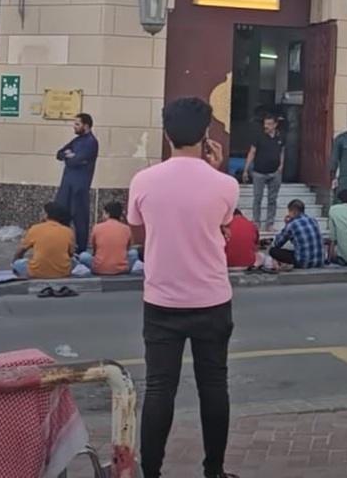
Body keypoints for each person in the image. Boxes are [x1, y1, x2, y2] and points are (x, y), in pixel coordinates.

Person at [128, 97, 237, 478]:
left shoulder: (143, 181)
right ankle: (214, 470)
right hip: (212, 298)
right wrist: (214, 171)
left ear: (166, 132)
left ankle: (152, 472)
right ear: (206, 134)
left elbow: (137, 229)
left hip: (162, 299)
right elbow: (220, 222)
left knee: (159, 388)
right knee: (214, 385)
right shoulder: (226, 184)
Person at [55, 113, 99, 253]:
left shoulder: (91, 142)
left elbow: (75, 161)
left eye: (77, 124)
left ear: (86, 125)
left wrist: (70, 157)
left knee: (80, 221)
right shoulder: (76, 141)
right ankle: (62, 247)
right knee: (61, 217)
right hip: (67, 185)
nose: (74, 127)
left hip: (80, 187)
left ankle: (81, 250)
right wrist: (69, 155)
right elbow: (59, 154)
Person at [13, 203, 78, 279]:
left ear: (46, 215)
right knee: (77, 259)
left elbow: (20, 251)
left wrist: (14, 263)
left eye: (42, 212)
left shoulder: (35, 229)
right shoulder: (68, 231)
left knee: (17, 264)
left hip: (36, 273)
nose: (40, 214)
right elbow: (71, 254)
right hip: (62, 273)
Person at [244, 114, 284, 230]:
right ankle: (256, 222)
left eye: (269, 124)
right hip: (259, 173)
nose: (266, 126)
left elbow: (282, 151)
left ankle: (270, 223)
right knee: (257, 198)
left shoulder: (280, 137)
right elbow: (252, 152)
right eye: (265, 124)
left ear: (275, 125)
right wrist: (246, 169)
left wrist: (281, 165)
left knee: (272, 199)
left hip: (275, 173)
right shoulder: (258, 137)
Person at [78, 201, 138, 276]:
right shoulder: (126, 229)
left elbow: (94, 249)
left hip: (99, 269)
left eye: (103, 213)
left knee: (83, 256)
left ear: (107, 214)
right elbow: (128, 248)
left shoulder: (97, 228)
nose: (102, 215)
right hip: (121, 269)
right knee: (134, 253)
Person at [269, 199, 324, 269]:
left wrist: (287, 224)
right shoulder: (313, 220)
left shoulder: (292, 224)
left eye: (289, 212)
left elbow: (278, 243)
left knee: (273, 251)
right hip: (319, 261)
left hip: (303, 263)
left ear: (294, 212)